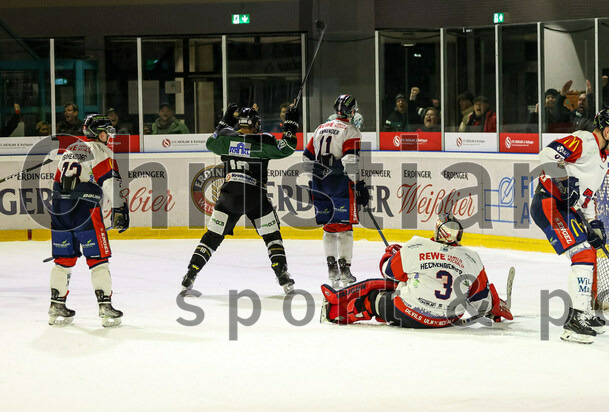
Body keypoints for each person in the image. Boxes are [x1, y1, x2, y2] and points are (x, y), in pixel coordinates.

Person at [179, 105, 299, 296]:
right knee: (271, 235)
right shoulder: (263, 140)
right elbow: (287, 148)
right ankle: (282, 274)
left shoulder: (225, 139)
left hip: (229, 196)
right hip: (255, 196)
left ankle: (190, 274)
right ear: (254, 124)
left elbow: (211, 142)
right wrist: (291, 124)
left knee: (212, 237)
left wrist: (223, 122)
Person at [530, 109, 609, 344]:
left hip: (565, 208)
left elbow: (586, 196)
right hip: (549, 203)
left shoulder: (602, 162)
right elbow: (547, 154)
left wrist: (593, 223)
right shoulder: (584, 140)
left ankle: (582, 313)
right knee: (582, 253)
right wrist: (564, 181)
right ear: (607, 130)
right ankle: (574, 322)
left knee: (588, 253)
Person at [321, 214, 513, 328]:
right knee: (399, 286)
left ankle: (333, 309)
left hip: (409, 314)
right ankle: (336, 302)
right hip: (448, 320)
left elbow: (388, 272)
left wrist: (391, 254)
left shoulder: (417, 246)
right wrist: (495, 309)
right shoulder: (471, 258)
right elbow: (480, 301)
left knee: (374, 293)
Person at [46, 114, 129, 327]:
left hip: (60, 209)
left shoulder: (70, 149)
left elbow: (58, 183)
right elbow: (109, 180)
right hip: (85, 209)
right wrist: (119, 207)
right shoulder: (100, 150)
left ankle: (56, 305)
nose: (108, 136)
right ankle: (105, 308)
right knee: (98, 258)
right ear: (97, 133)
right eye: (105, 131)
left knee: (63, 260)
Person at [304, 94, 369, 288]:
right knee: (345, 229)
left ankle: (331, 270)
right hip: (339, 183)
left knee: (329, 229)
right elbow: (349, 160)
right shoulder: (351, 130)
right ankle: (345, 270)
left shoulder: (319, 129)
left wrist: (312, 183)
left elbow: (307, 159)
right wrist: (358, 184)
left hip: (319, 183)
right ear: (351, 110)